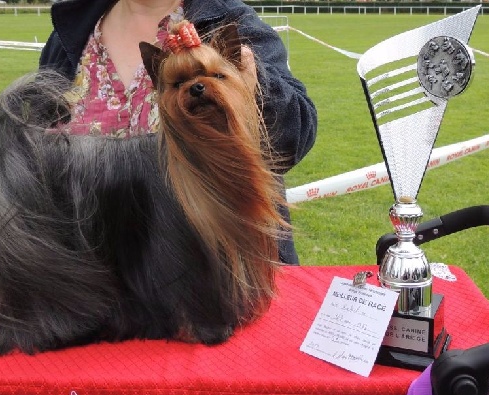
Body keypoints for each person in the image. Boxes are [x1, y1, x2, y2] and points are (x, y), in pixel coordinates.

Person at [38, 0, 317, 264]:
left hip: (212, 269)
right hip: (88, 271)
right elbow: (39, 151)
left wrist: (254, 89)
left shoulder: (231, 20)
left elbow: (292, 141)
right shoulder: (70, 33)